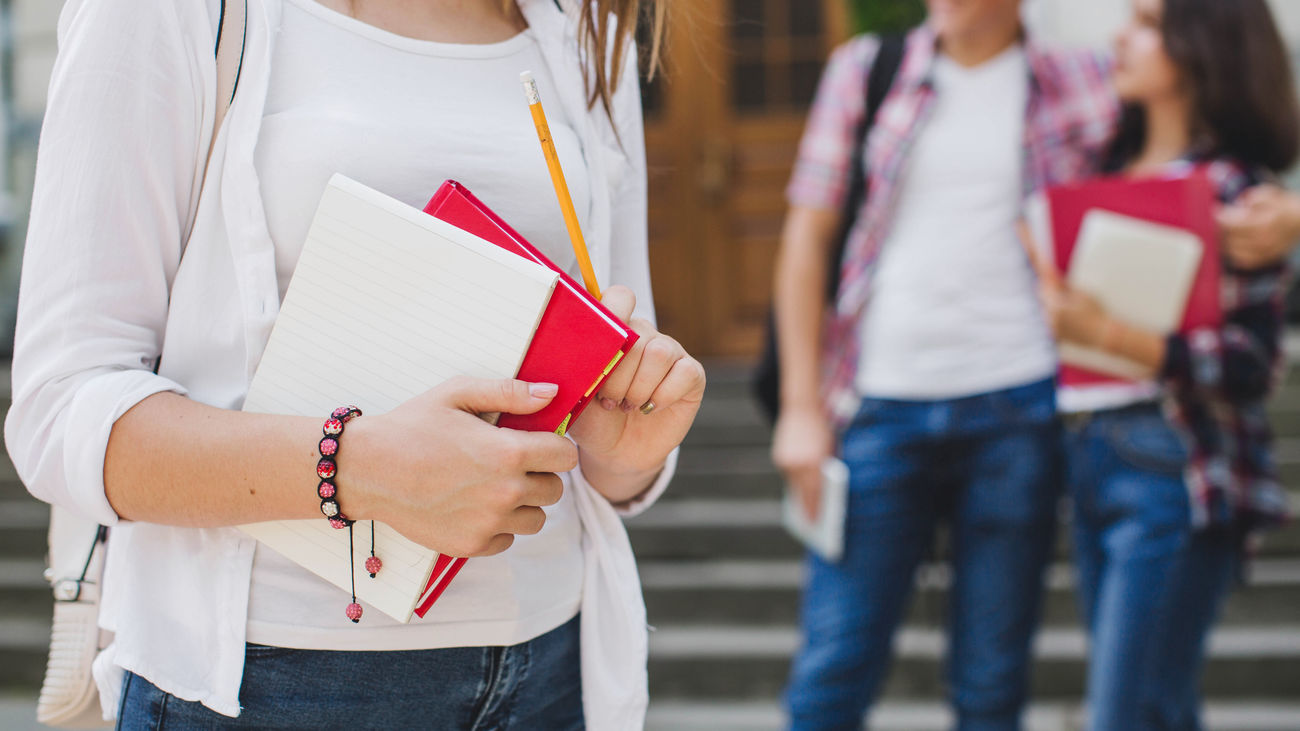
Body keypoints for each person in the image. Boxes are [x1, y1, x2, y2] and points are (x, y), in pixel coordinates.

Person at [4, 0, 704, 728]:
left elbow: (609, 408)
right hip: (273, 681)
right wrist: (360, 465)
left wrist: (628, 451)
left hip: (554, 666)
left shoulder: (582, 29)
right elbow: (63, 407)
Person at [772, 0, 1300, 728]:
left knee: (994, 683)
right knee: (832, 666)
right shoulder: (867, 71)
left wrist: (1292, 213)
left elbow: (1220, 112)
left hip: (1021, 413)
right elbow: (807, 233)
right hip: (879, 407)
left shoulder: (1086, 81)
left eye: (1145, 26)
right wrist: (801, 409)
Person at [1028, 0, 1299, 728]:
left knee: (1129, 710)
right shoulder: (1098, 168)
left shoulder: (1239, 194)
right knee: (1159, 704)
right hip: (1087, 451)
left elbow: (1251, 366)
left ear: (1201, 45)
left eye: (1147, 22)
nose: (1121, 36)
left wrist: (1108, 334)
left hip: (1178, 462)